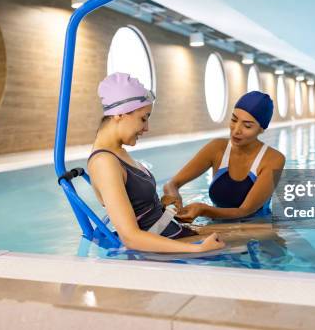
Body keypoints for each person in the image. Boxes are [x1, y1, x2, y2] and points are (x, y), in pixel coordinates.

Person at [87, 72, 224, 253]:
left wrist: (162, 204)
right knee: (260, 234)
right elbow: (130, 237)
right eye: (143, 118)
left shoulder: (118, 152)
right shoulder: (104, 163)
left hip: (172, 231)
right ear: (120, 114)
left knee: (260, 229)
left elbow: (138, 207)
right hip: (166, 241)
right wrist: (196, 249)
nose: (146, 128)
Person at [162, 91, 285, 222]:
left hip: (256, 227)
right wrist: (174, 199)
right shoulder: (217, 148)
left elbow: (245, 210)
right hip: (218, 225)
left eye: (247, 125)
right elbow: (172, 184)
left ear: (261, 129)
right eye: (234, 120)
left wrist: (204, 210)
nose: (236, 130)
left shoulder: (274, 159)